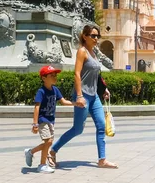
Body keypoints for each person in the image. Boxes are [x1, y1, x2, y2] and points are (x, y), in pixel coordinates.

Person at [49, 24, 117, 169]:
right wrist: (79, 96)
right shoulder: (82, 51)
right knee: (77, 129)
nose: (96, 38)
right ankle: (53, 151)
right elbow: (77, 74)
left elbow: (96, 74)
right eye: (93, 35)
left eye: (97, 36)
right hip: (83, 95)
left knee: (101, 126)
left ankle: (102, 160)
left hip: (94, 96)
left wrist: (104, 89)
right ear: (85, 36)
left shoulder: (94, 53)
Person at [24, 65, 73, 173]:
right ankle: (41, 165)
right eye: (52, 75)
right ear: (44, 78)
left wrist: (76, 103)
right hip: (42, 120)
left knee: (49, 143)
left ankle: (31, 152)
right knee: (48, 141)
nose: (55, 77)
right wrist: (35, 124)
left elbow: (63, 102)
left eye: (55, 75)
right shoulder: (41, 91)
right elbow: (37, 107)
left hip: (51, 120)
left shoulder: (55, 90)